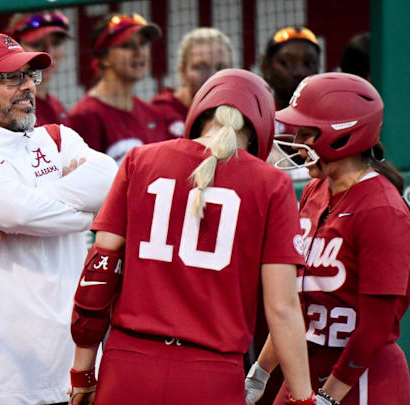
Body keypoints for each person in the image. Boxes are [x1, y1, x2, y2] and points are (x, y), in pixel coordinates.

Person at [68, 69, 316, 405]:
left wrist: (82, 372)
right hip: (210, 374)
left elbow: (98, 275)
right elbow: (283, 308)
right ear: (260, 126)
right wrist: (302, 398)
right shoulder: (273, 184)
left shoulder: (141, 159)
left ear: (200, 112)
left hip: (128, 365)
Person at [0, 33, 117, 404]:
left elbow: (111, 180)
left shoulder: (56, 137)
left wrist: (27, 218)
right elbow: (19, 211)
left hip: (69, 371)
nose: (28, 85)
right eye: (11, 77)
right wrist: (90, 212)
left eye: (30, 75)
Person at [246, 73, 410, 405]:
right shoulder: (314, 190)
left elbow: (377, 326)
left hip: (360, 378)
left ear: (343, 134)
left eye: (307, 132)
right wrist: (260, 373)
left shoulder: (382, 209)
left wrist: (328, 396)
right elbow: (294, 304)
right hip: (307, 366)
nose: (295, 139)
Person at [67, 12, 170, 163]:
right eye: (127, 45)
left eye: (143, 44)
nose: (138, 52)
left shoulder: (150, 113)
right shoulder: (86, 116)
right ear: (104, 58)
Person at [151, 27, 233, 138]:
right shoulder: (159, 112)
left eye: (220, 67)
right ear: (182, 71)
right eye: (200, 67)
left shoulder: (235, 116)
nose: (212, 77)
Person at [5, 10, 72, 126]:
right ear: (15, 46)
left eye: (56, 43)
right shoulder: (9, 107)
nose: (49, 54)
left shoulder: (57, 105)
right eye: (36, 44)